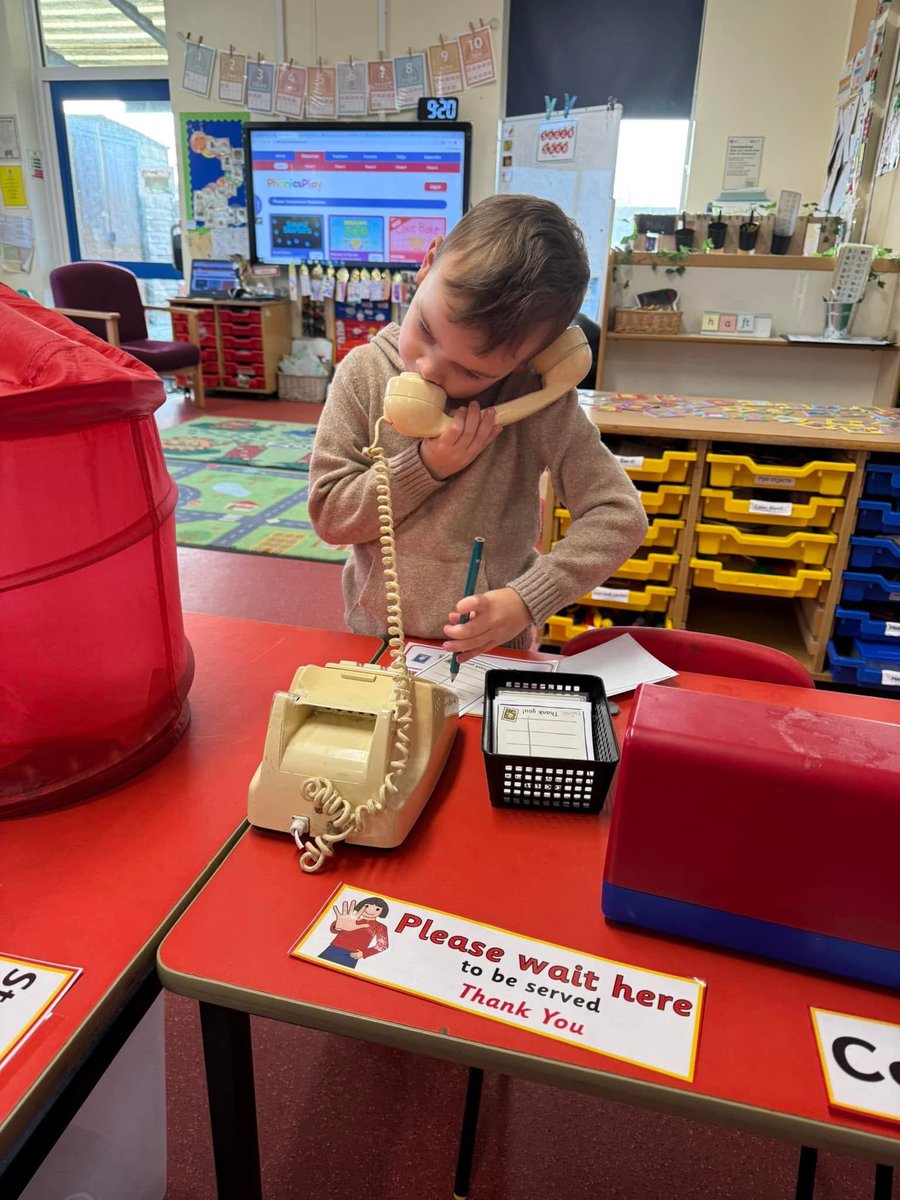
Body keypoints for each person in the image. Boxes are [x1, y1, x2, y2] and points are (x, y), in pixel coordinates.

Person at [309, 194, 648, 659]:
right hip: (376, 635)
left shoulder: (536, 401)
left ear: (537, 357)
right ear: (427, 264)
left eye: (471, 372)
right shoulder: (363, 375)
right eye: (425, 329)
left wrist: (528, 599)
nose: (428, 370)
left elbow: (620, 514)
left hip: (490, 648)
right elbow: (330, 515)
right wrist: (425, 466)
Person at [319, 897, 390, 969]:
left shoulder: (380, 926)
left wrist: (364, 953)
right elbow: (334, 929)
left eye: (377, 909)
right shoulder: (351, 918)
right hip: (333, 948)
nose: (371, 911)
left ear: (382, 911)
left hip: (352, 954)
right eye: (367, 906)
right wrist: (337, 927)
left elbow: (383, 945)